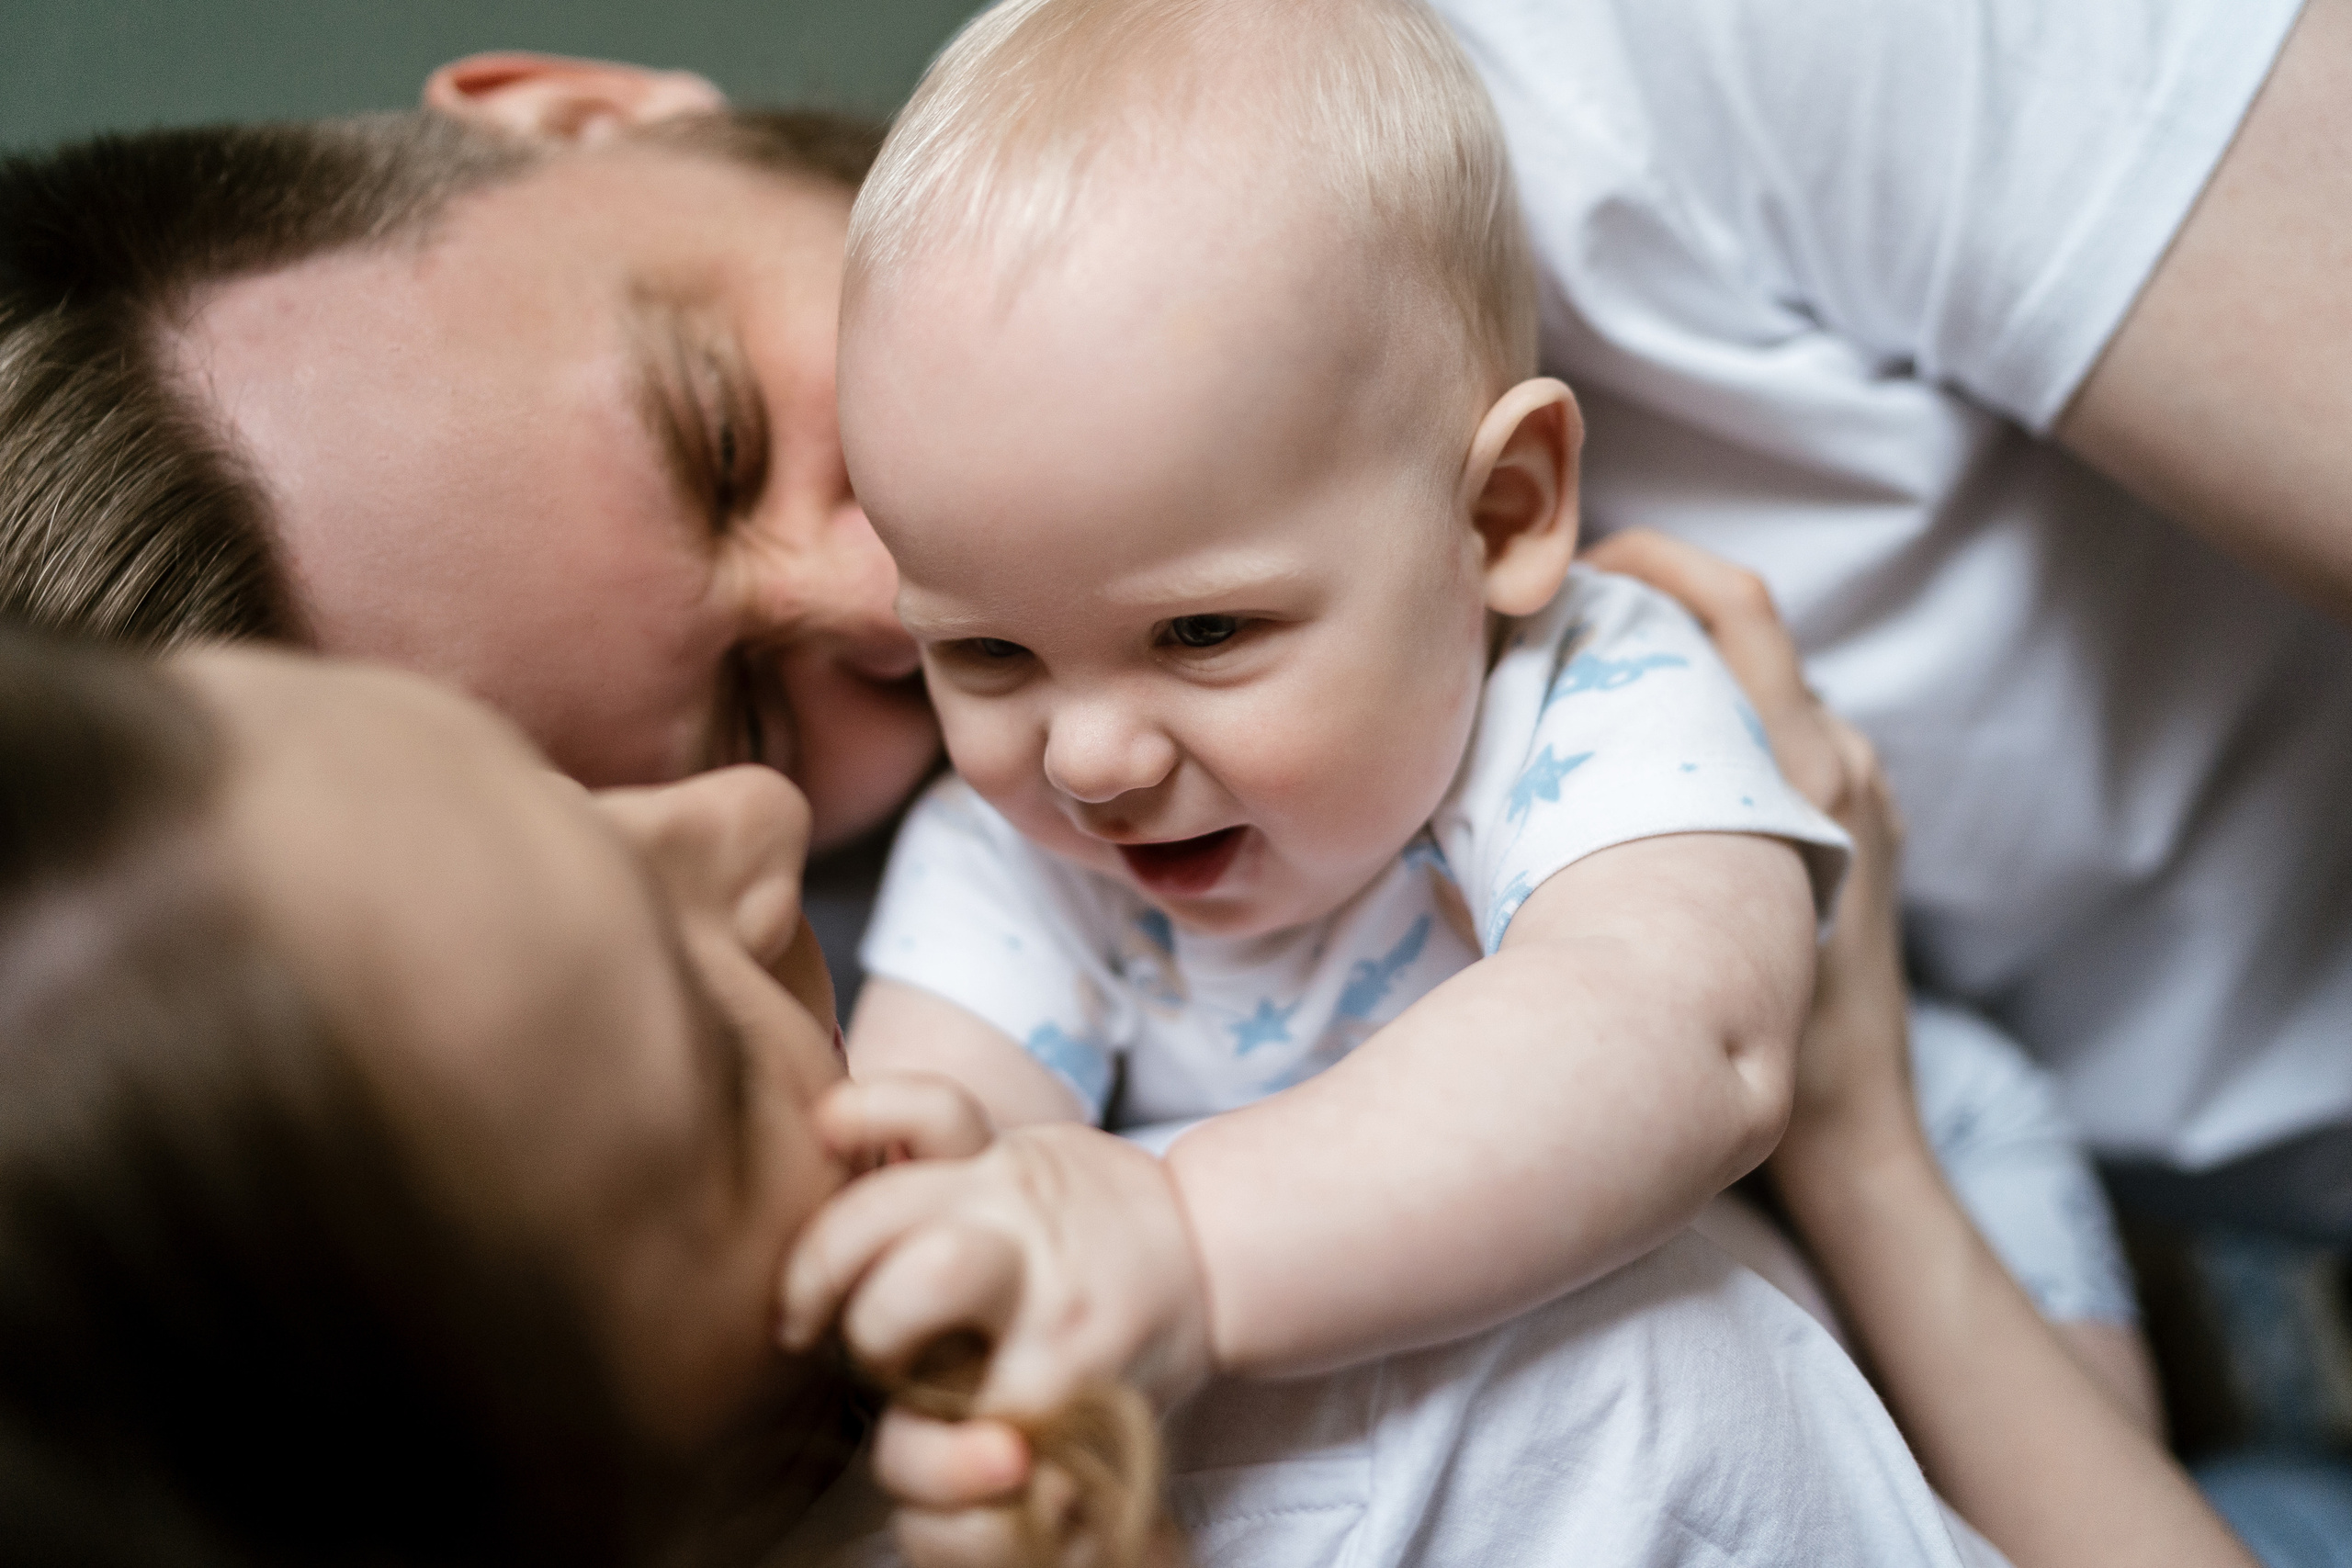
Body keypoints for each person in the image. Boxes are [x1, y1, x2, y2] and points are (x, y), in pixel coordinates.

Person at [0, 626, 1992, 1568]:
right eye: (698, 1050)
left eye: (540, 766)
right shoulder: (1551, 1416)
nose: (763, 806)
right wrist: (1866, 1142)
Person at [824, 0, 1849, 1398]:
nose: (1090, 759)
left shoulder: (1591, 699)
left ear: (1498, 515)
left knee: (2001, 1189)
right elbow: (955, 1156)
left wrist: (1187, 1239)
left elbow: (1688, 1038)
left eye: (1200, 630)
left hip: (1793, 1340)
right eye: (985, 654)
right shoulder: (1007, 853)